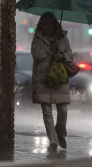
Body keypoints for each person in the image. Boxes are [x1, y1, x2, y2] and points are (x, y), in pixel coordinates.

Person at [31, 12, 74, 153]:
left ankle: (60, 134)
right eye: (45, 24)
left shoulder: (63, 37)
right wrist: (49, 49)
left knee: (63, 111)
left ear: (54, 24)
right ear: (41, 25)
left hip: (59, 78)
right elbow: (36, 54)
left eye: (50, 24)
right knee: (47, 111)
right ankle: (53, 141)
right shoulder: (37, 38)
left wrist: (62, 55)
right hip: (43, 79)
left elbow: (70, 55)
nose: (47, 27)